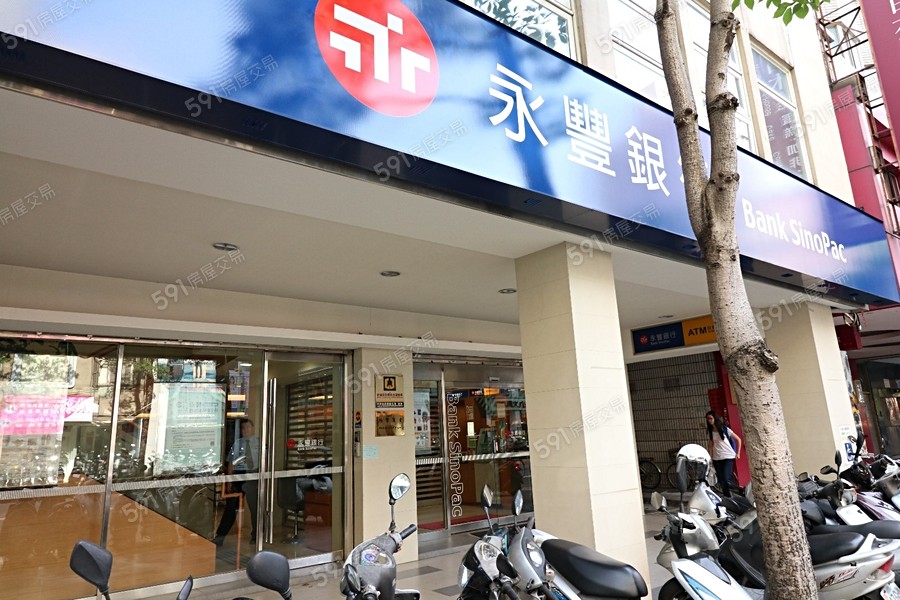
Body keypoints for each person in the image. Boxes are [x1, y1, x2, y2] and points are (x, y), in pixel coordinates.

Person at [214, 418, 260, 545]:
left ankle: (256, 536)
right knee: (231, 507)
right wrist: (229, 481)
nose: (246, 430)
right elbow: (231, 463)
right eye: (243, 428)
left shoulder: (259, 443)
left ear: (253, 428)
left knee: (254, 508)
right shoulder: (237, 443)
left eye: (248, 427)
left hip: (253, 476)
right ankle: (220, 537)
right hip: (238, 476)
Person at [706, 410, 741, 497]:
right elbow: (710, 445)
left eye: (710, 418)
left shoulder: (724, 429)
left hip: (727, 456)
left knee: (726, 480)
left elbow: (738, 439)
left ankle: (741, 491)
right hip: (716, 458)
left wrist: (738, 453)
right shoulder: (710, 432)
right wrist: (709, 457)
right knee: (721, 481)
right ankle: (727, 497)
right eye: (708, 419)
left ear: (715, 418)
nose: (709, 420)